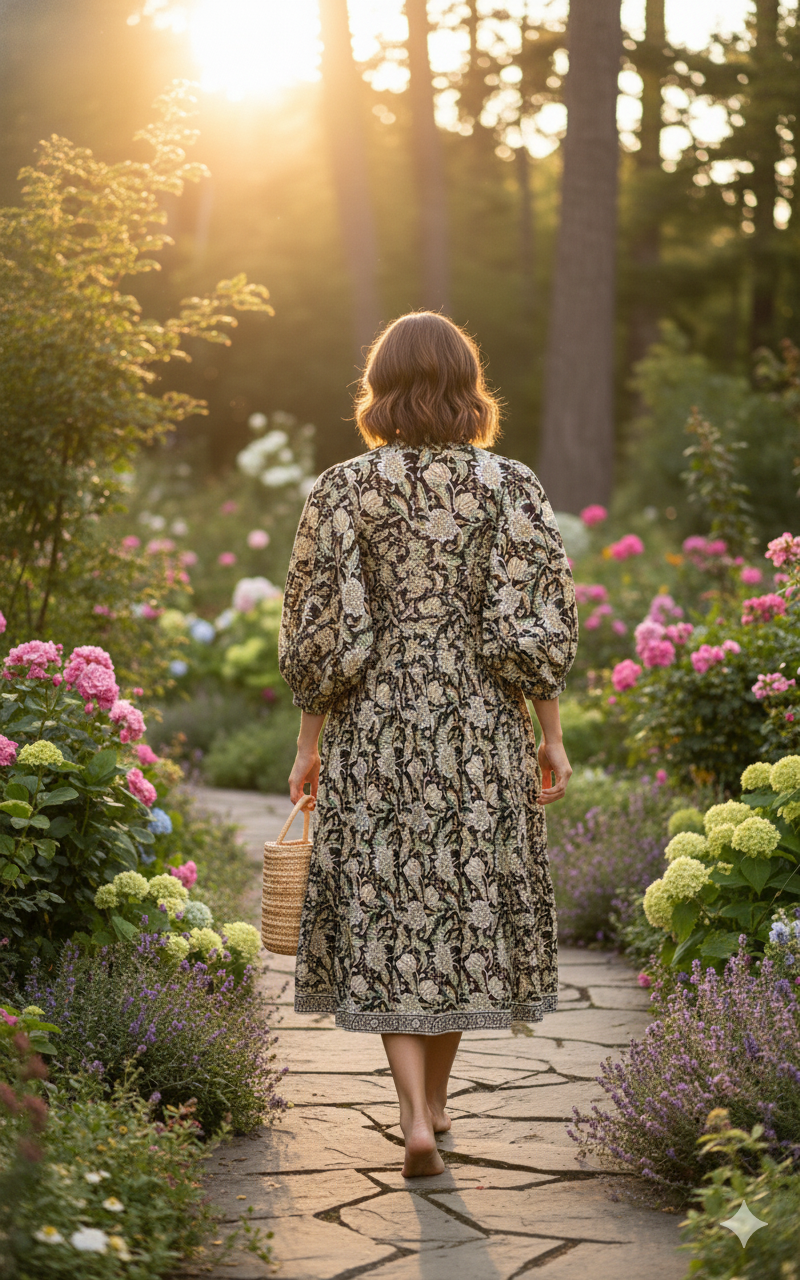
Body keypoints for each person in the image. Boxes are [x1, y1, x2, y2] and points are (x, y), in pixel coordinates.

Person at [278, 312, 578, 1177]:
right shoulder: (510, 485)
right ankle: (438, 1107)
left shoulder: (341, 490)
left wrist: (310, 742)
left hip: (375, 724)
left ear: (380, 387)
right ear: (465, 386)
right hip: (479, 726)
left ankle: (411, 1113)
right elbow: (536, 621)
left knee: (391, 912)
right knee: (459, 910)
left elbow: (320, 629)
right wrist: (548, 737)